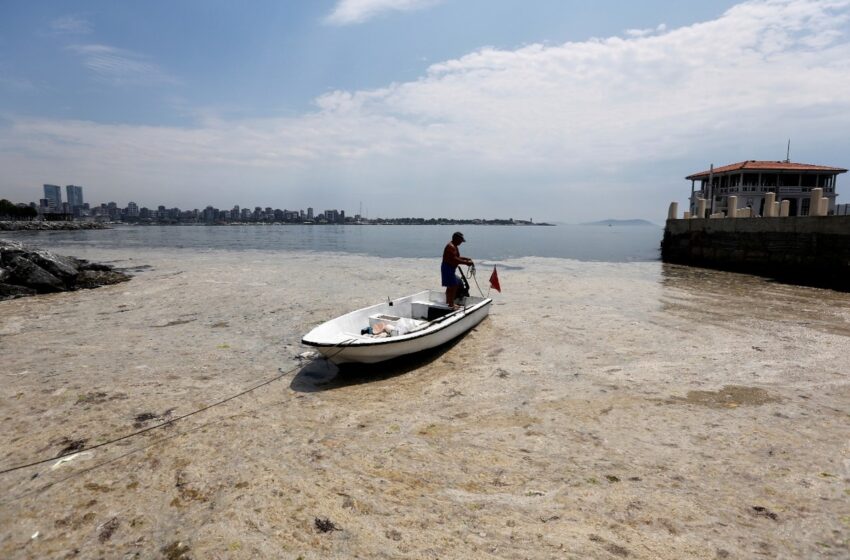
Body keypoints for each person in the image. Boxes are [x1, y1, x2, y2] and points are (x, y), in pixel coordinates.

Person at [442, 231, 473, 308]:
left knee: (451, 286)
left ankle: (448, 302)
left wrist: (466, 258)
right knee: (453, 285)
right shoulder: (450, 247)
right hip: (447, 268)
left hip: (451, 268)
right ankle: (451, 304)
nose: (461, 242)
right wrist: (466, 263)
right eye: (460, 241)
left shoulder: (455, 246)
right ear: (456, 239)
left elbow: (457, 257)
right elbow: (454, 259)